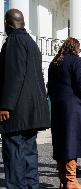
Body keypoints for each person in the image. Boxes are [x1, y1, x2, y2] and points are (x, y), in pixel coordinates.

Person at [0, 9, 50, 188]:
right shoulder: (31, 42)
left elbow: (15, 76)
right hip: (32, 111)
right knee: (29, 154)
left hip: (16, 112)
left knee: (14, 155)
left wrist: (6, 105)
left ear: (7, 23)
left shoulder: (13, 42)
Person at [48, 37, 81, 188]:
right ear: (75, 48)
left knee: (61, 142)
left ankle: (63, 180)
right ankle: (71, 181)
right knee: (71, 143)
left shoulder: (54, 63)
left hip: (58, 107)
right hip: (73, 109)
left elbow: (50, 87)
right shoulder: (76, 61)